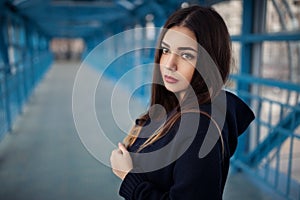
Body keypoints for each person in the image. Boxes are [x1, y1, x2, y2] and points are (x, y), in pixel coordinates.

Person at [110, 5, 255, 200]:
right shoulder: (171, 107)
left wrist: (130, 179)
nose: (169, 64)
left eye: (186, 55)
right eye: (165, 50)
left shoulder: (200, 129)